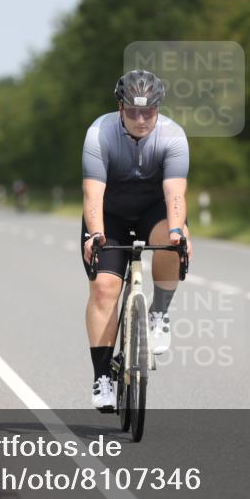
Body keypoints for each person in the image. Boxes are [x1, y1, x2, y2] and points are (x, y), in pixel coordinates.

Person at [81, 70, 193, 411]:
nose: (141, 119)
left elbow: (175, 193)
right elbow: (92, 194)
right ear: (120, 108)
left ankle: (159, 313)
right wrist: (96, 234)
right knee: (103, 289)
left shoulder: (173, 136)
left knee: (173, 239)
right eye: (133, 111)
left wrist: (177, 231)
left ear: (158, 109)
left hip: (153, 210)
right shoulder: (99, 134)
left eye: (149, 111)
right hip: (110, 214)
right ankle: (102, 377)